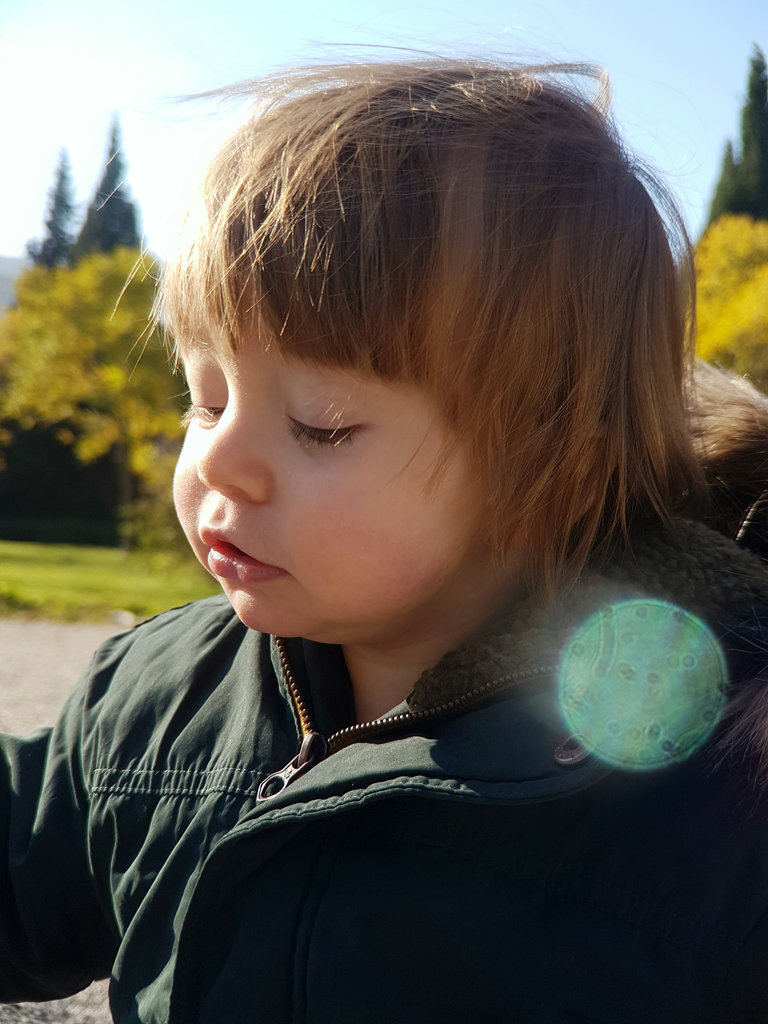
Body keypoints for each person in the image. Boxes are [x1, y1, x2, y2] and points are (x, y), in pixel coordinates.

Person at [2, 58, 768, 1023]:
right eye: (203, 397)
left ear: (546, 456)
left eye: (320, 423)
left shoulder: (718, 807)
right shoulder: (156, 701)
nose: (219, 463)